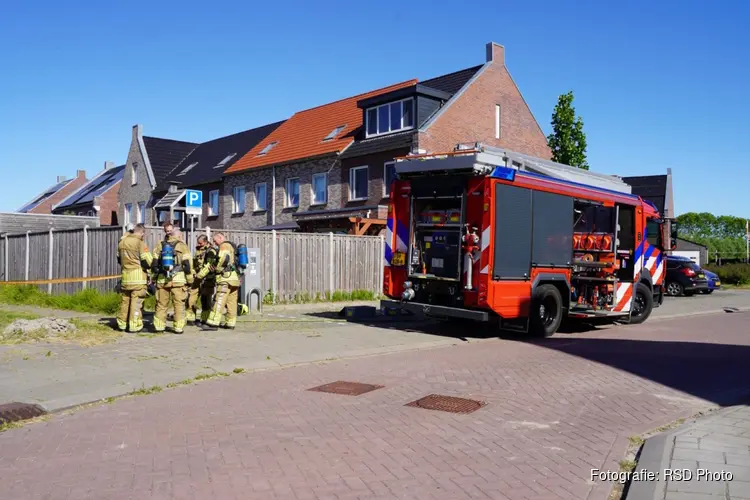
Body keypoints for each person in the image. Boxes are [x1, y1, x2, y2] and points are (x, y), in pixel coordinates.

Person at [151, 223, 192, 334]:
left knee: (161, 304)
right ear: (178, 235)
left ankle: (159, 327)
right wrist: (190, 280)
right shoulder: (182, 246)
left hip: (162, 279)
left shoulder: (160, 245)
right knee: (179, 304)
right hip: (178, 280)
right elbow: (187, 265)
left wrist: (153, 278)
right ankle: (178, 327)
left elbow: (154, 264)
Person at [116, 224, 153, 332]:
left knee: (125, 301)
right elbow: (147, 261)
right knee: (136, 302)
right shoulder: (139, 243)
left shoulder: (122, 242)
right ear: (142, 232)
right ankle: (134, 325)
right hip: (138, 278)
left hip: (125, 277)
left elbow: (119, 259)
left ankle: (122, 324)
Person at [201, 232, 240, 330]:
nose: (214, 243)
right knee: (231, 302)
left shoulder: (224, 246)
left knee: (219, 300)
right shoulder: (232, 246)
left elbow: (223, 259)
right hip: (234, 278)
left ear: (220, 237)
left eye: (215, 241)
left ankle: (213, 323)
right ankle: (230, 323)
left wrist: (217, 269)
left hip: (225, 278)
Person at [186, 234, 211, 324]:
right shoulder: (198, 250)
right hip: (197, 278)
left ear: (205, 242)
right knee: (191, 297)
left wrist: (201, 275)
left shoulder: (211, 250)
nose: (199, 245)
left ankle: (205, 318)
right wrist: (193, 272)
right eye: (198, 243)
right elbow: (194, 263)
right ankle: (190, 318)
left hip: (206, 278)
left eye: (200, 243)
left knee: (205, 299)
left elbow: (210, 265)